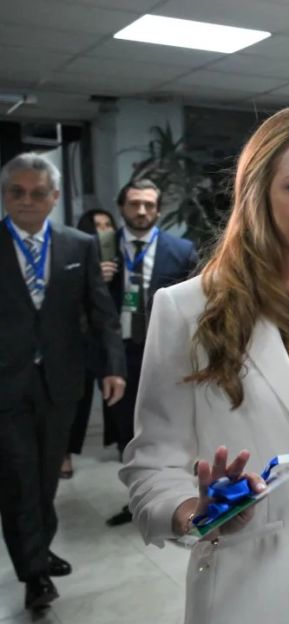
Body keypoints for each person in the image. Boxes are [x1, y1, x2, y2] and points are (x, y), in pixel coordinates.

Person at [119, 104, 289, 623]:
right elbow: (152, 465)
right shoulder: (187, 309)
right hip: (254, 594)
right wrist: (196, 513)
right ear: (257, 191)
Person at [0, 153, 126, 610]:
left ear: (54, 198)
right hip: (6, 385)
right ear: (5, 195)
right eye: (17, 192)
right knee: (17, 478)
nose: (27, 201)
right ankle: (33, 574)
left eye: (38, 193)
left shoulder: (79, 245)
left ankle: (38, 548)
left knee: (45, 476)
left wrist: (113, 365)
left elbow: (100, 311)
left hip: (61, 381)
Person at [104, 179, 198, 527]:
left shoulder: (180, 248)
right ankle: (138, 498)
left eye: (148, 204)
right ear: (122, 207)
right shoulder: (100, 248)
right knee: (125, 429)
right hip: (119, 354)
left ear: (158, 209)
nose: (141, 211)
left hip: (164, 354)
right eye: (134, 204)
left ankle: (171, 493)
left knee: (165, 426)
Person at [62, 208, 119, 479]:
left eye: (108, 224)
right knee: (77, 401)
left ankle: (123, 443)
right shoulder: (74, 252)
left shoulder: (118, 253)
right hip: (79, 337)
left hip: (109, 335)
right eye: (97, 225)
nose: (103, 230)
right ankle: (65, 453)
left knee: (117, 397)